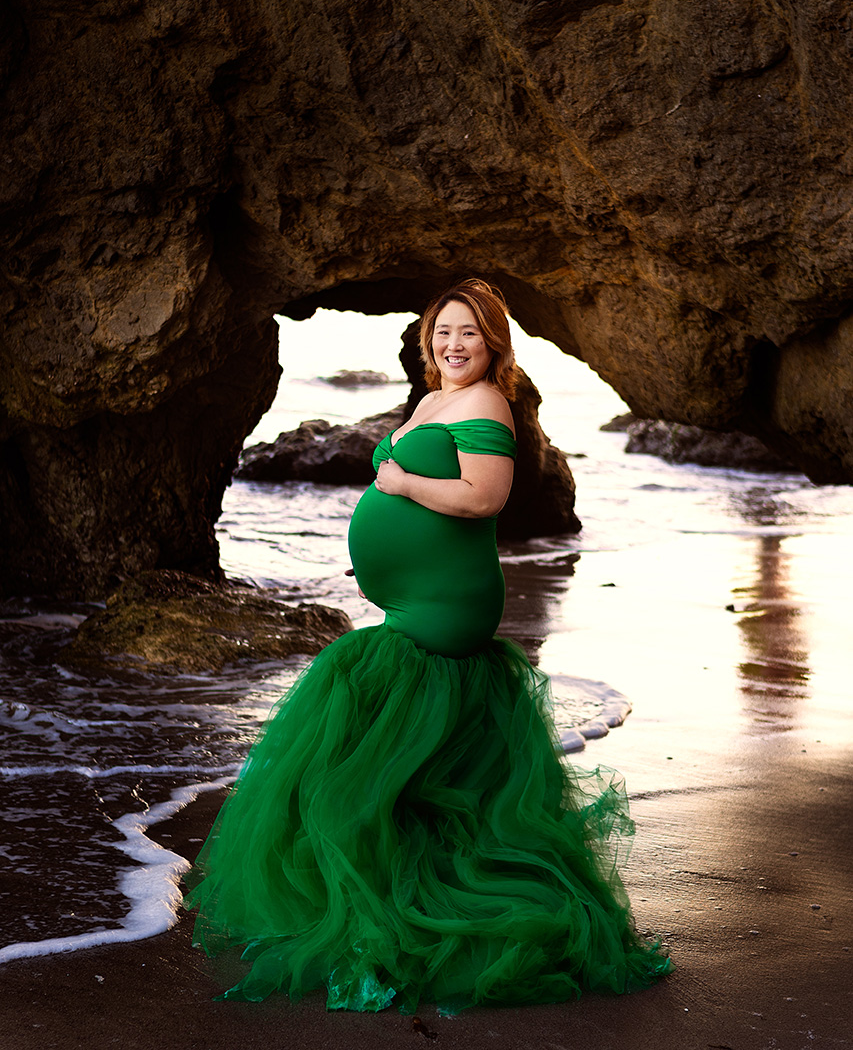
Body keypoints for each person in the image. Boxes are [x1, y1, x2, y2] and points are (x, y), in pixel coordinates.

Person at [183, 278, 671, 1012]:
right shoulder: (434, 398)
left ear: (493, 343)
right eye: (442, 331)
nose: (453, 344)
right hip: (418, 601)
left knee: (357, 750)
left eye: (468, 333)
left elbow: (483, 497)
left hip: (443, 608)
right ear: (426, 338)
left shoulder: (486, 403)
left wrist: (402, 485)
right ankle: (393, 890)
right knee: (409, 770)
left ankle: (400, 910)